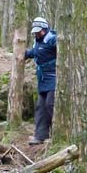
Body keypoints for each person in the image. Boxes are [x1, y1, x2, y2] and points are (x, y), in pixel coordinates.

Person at [25, 17, 57, 145]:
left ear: (45, 29)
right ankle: (40, 136)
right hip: (43, 80)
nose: (37, 34)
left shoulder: (53, 39)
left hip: (54, 78)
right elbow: (35, 52)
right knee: (41, 108)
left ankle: (58, 132)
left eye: (39, 31)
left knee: (51, 104)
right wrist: (25, 53)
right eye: (36, 32)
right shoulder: (37, 42)